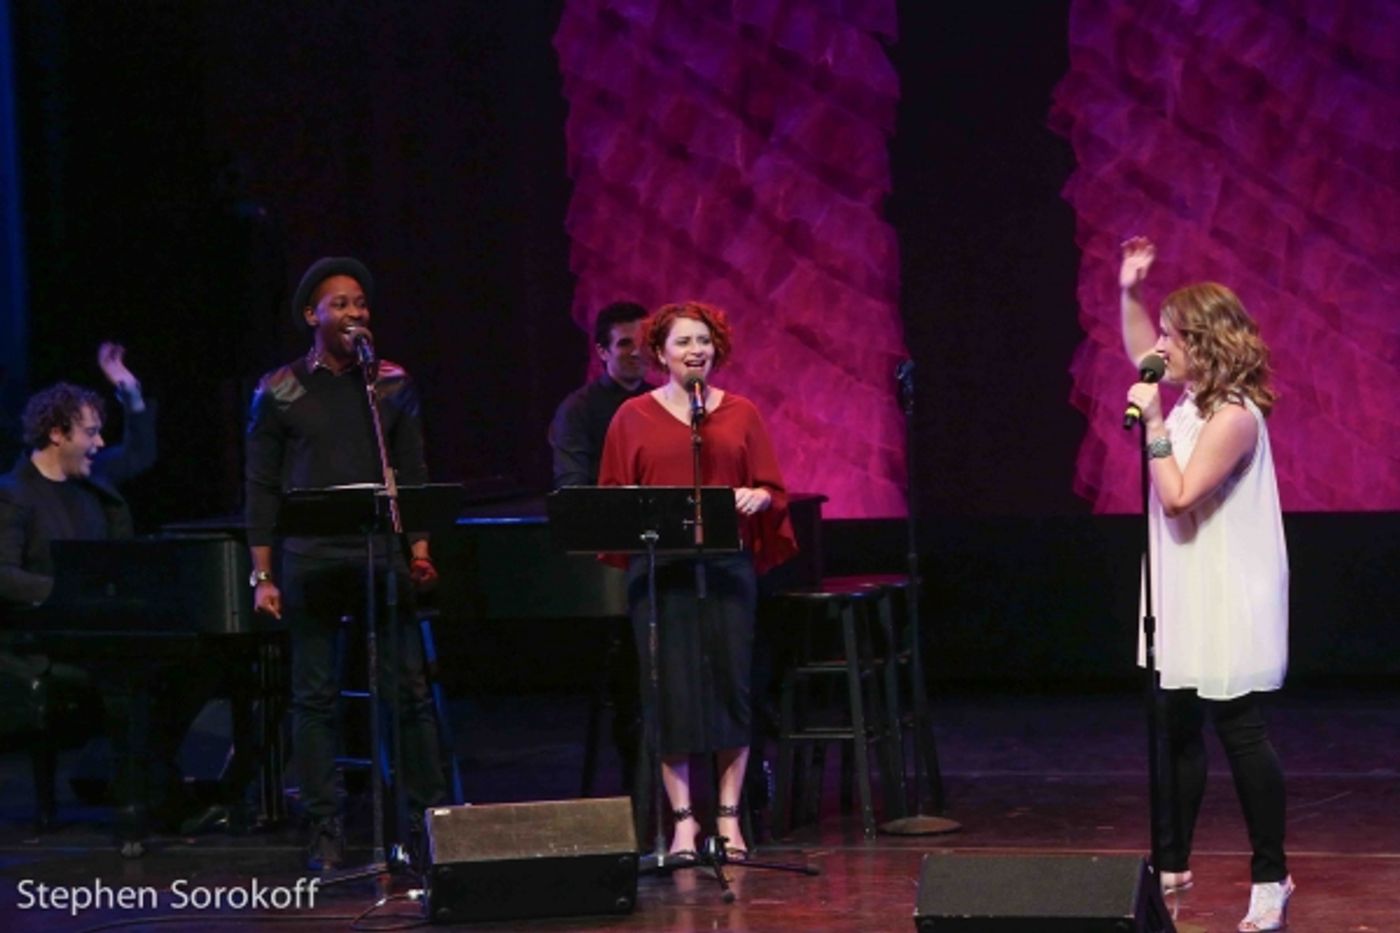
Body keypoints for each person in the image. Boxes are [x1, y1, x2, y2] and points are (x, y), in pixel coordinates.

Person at [244, 256, 446, 871]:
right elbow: (260, 486)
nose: (355, 312)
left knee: (408, 691)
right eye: (341, 303)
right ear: (313, 315)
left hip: (379, 555)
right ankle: (326, 824)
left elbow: (412, 471)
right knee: (315, 697)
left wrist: (419, 549)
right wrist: (262, 573)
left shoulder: (389, 382)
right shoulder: (278, 389)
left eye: (361, 303)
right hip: (311, 559)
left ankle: (425, 821)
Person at [1120, 237, 1293, 932]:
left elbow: (1179, 496)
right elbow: (1142, 353)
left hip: (1228, 588)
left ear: (1204, 342)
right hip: (1181, 584)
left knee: (1239, 730)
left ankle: (1271, 875)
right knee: (1175, 725)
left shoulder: (1233, 416)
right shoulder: (1193, 397)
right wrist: (1130, 292)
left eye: (1170, 336)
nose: (1158, 347)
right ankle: (1171, 864)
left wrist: (1154, 424)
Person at [598, 301, 796, 862]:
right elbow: (610, 494)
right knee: (671, 692)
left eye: (703, 342)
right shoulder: (631, 417)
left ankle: (729, 819)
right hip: (662, 572)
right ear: (661, 354)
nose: (695, 352)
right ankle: (683, 822)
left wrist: (760, 496)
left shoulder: (742, 413)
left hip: (727, 568)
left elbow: (772, 490)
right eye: (684, 343)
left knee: (732, 687)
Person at [0, 345, 164, 830]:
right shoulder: (12, 494)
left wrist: (128, 389)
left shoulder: (90, 480)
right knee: (130, 681)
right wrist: (68, 594)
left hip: (96, 632)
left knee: (172, 669)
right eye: (90, 432)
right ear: (56, 433)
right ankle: (138, 803)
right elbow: (4, 574)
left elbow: (140, 452)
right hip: (42, 640)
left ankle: (156, 790)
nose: (98, 444)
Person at [548, 300, 650, 487]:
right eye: (625, 343)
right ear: (602, 352)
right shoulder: (577, 408)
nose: (636, 352)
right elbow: (572, 486)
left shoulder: (663, 401)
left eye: (643, 342)